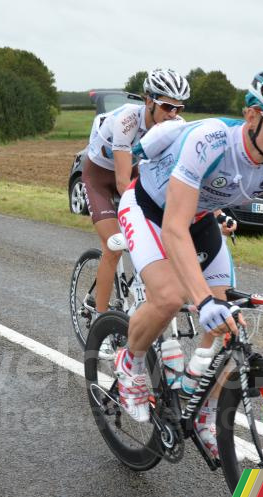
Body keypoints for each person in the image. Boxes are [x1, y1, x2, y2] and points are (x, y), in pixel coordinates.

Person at [113, 69, 263, 456]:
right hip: (150, 210)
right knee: (171, 297)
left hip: (201, 219)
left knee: (228, 324)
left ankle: (202, 410)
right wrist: (202, 300)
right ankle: (130, 361)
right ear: (252, 116)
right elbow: (173, 227)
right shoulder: (209, 142)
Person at [82, 69, 190, 317]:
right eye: (166, 107)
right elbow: (122, 183)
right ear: (149, 100)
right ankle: (101, 321)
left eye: (179, 108)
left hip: (132, 171)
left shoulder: (174, 127)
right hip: (99, 176)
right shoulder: (127, 121)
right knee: (114, 246)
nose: (173, 115)